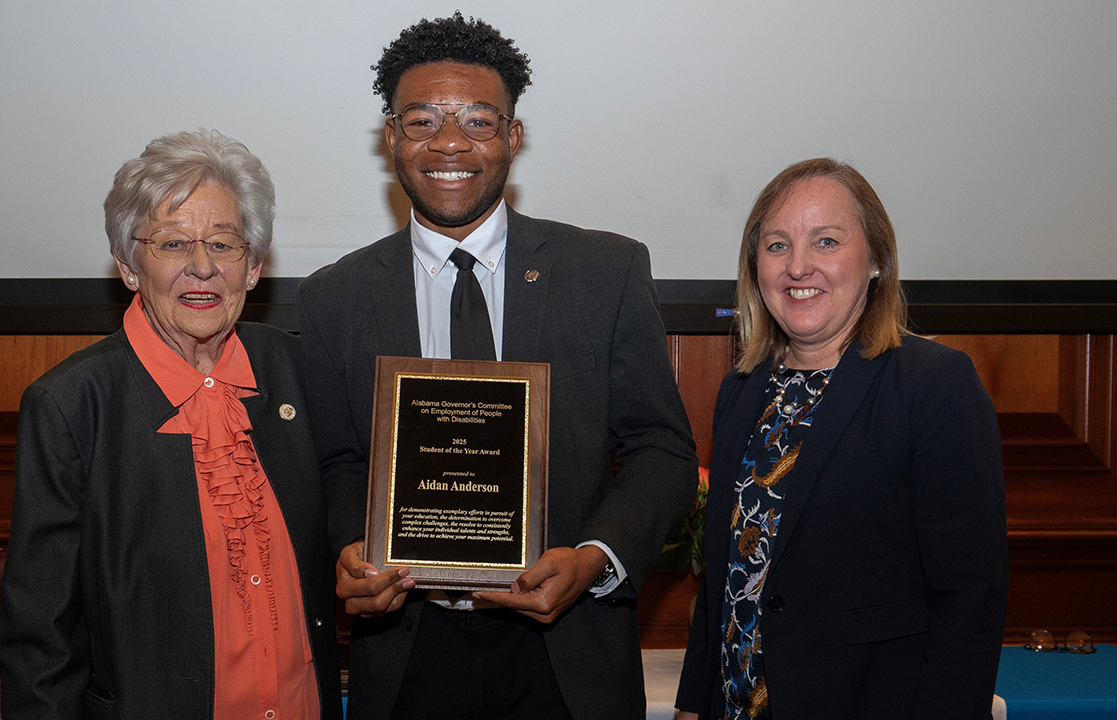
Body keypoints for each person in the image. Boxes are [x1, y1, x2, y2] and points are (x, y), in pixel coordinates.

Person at [298, 12, 698, 720]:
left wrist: (596, 558)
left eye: (479, 122)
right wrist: (352, 548)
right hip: (408, 649)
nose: (449, 142)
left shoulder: (604, 272)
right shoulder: (336, 297)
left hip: (566, 648)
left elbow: (659, 448)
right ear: (390, 137)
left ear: (513, 136)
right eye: (421, 121)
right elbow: (337, 462)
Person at [0, 129, 341, 719]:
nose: (203, 268)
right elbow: (40, 638)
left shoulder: (293, 370)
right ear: (129, 267)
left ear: (254, 267)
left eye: (225, 245)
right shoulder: (72, 404)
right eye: (174, 244)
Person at [674, 158, 1008, 720]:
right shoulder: (742, 389)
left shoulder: (934, 384)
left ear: (876, 259)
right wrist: (693, 702)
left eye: (825, 241)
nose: (798, 267)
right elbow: (723, 577)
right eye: (777, 246)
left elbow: (970, 598)